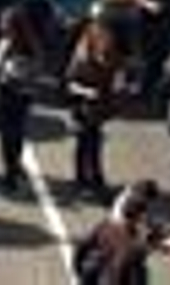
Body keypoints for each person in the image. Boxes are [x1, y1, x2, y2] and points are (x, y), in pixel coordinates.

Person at [0, 4, 42, 194]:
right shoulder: (31, 44)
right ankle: (14, 169)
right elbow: (37, 69)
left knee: (8, 135)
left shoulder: (7, 44)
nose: (1, 25)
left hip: (8, 92)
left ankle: (10, 173)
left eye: (5, 23)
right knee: (16, 133)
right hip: (22, 94)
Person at [68, 18, 122, 203]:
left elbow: (115, 75)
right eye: (102, 56)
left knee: (94, 142)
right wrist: (87, 91)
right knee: (85, 142)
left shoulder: (111, 56)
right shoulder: (81, 60)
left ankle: (92, 181)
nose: (104, 59)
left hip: (98, 107)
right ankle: (85, 181)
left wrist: (117, 85)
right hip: (82, 105)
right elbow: (70, 84)